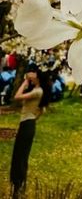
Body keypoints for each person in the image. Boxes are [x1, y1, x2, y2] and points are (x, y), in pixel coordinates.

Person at [9, 66, 50, 198]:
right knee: (19, 155)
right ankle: (18, 185)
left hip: (27, 124)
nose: (31, 75)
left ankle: (19, 186)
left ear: (37, 77)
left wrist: (24, 83)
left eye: (34, 74)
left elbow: (17, 96)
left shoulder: (38, 91)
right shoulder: (37, 90)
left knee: (20, 156)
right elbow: (42, 111)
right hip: (27, 124)